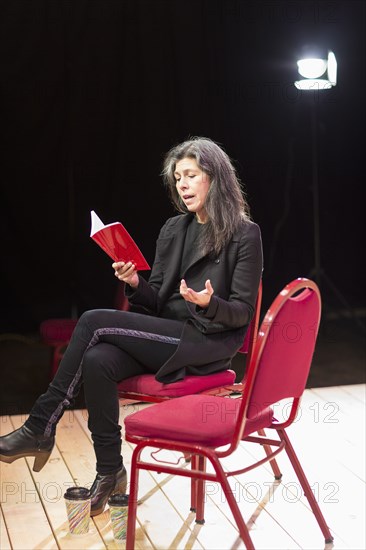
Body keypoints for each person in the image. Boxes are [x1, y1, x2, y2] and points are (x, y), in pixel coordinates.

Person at [0, 137, 263, 516]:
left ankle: (40, 425)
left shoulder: (244, 233)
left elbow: (242, 313)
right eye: (177, 179)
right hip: (165, 333)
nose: (182, 185)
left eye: (190, 175)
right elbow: (157, 301)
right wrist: (136, 284)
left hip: (204, 341)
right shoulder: (174, 229)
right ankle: (110, 471)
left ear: (214, 178)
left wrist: (209, 303)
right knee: (99, 359)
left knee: (92, 321)